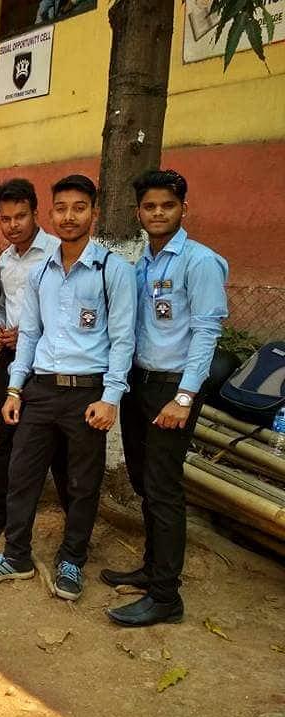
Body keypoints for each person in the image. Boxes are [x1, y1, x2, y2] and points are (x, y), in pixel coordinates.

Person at [0, 174, 137, 602]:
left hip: (87, 394)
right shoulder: (41, 271)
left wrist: (110, 398)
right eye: (61, 208)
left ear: (94, 212)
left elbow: (123, 340)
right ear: (51, 212)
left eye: (79, 208)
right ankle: (16, 555)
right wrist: (15, 389)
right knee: (22, 473)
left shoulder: (113, 270)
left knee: (82, 481)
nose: (69, 217)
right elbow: (29, 334)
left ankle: (72, 558)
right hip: (40, 389)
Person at [103, 170, 228, 627]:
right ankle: (152, 568)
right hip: (139, 382)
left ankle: (165, 596)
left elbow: (206, 332)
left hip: (172, 389)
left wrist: (185, 397)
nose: (158, 213)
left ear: (183, 209)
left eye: (167, 206)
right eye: (150, 206)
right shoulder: (142, 264)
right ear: (139, 212)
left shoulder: (200, 262)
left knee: (163, 488)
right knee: (143, 481)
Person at [0, 179, 68, 548]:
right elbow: (0, 307)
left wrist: (31, 334)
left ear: (36, 213)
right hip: (12, 360)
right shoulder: (6, 260)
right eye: (5, 218)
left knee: (58, 441)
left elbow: (68, 314)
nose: (13, 225)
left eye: (20, 216)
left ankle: (72, 526)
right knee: (7, 437)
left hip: (50, 362)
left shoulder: (58, 252)